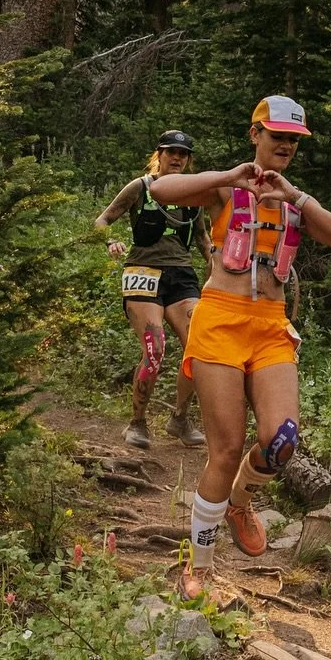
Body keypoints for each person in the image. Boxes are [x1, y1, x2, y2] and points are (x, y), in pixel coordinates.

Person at [148, 94, 331, 598]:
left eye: (292, 139)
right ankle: (199, 565)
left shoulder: (293, 197)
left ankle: (241, 502)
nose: (284, 145)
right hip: (220, 319)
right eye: (276, 135)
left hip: (270, 325)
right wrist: (226, 178)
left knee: (281, 439)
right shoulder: (223, 190)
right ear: (255, 134)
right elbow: (162, 190)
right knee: (225, 447)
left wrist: (297, 198)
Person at [96, 129, 208, 450]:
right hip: (142, 272)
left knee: (200, 346)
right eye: (171, 151)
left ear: (188, 160)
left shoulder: (194, 195)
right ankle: (137, 423)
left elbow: (202, 240)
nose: (176, 158)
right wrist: (109, 241)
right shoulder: (140, 187)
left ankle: (180, 418)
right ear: (158, 154)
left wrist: (217, 265)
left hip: (182, 277)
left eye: (183, 154)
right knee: (155, 349)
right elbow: (102, 220)